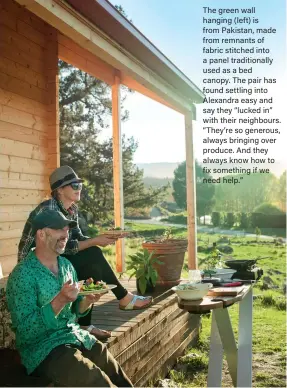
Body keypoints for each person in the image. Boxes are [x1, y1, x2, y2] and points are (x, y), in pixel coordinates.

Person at [18, 166, 152, 334]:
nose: (79, 188)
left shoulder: (72, 209)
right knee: (93, 253)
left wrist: (105, 238)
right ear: (59, 189)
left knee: (93, 265)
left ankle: (84, 324)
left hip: (55, 259)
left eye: (80, 185)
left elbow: (78, 240)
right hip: (35, 264)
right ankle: (124, 297)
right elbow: (61, 246)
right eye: (74, 185)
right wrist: (94, 242)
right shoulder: (48, 210)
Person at [6, 210, 133, 387]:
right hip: (44, 349)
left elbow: (74, 313)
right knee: (97, 381)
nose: (66, 234)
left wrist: (86, 302)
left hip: (75, 336)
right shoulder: (22, 275)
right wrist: (60, 300)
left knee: (115, 371)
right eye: (59, 229)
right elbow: (26, 331)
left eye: (67, 229)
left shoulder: (66, 266)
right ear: (41, 234)